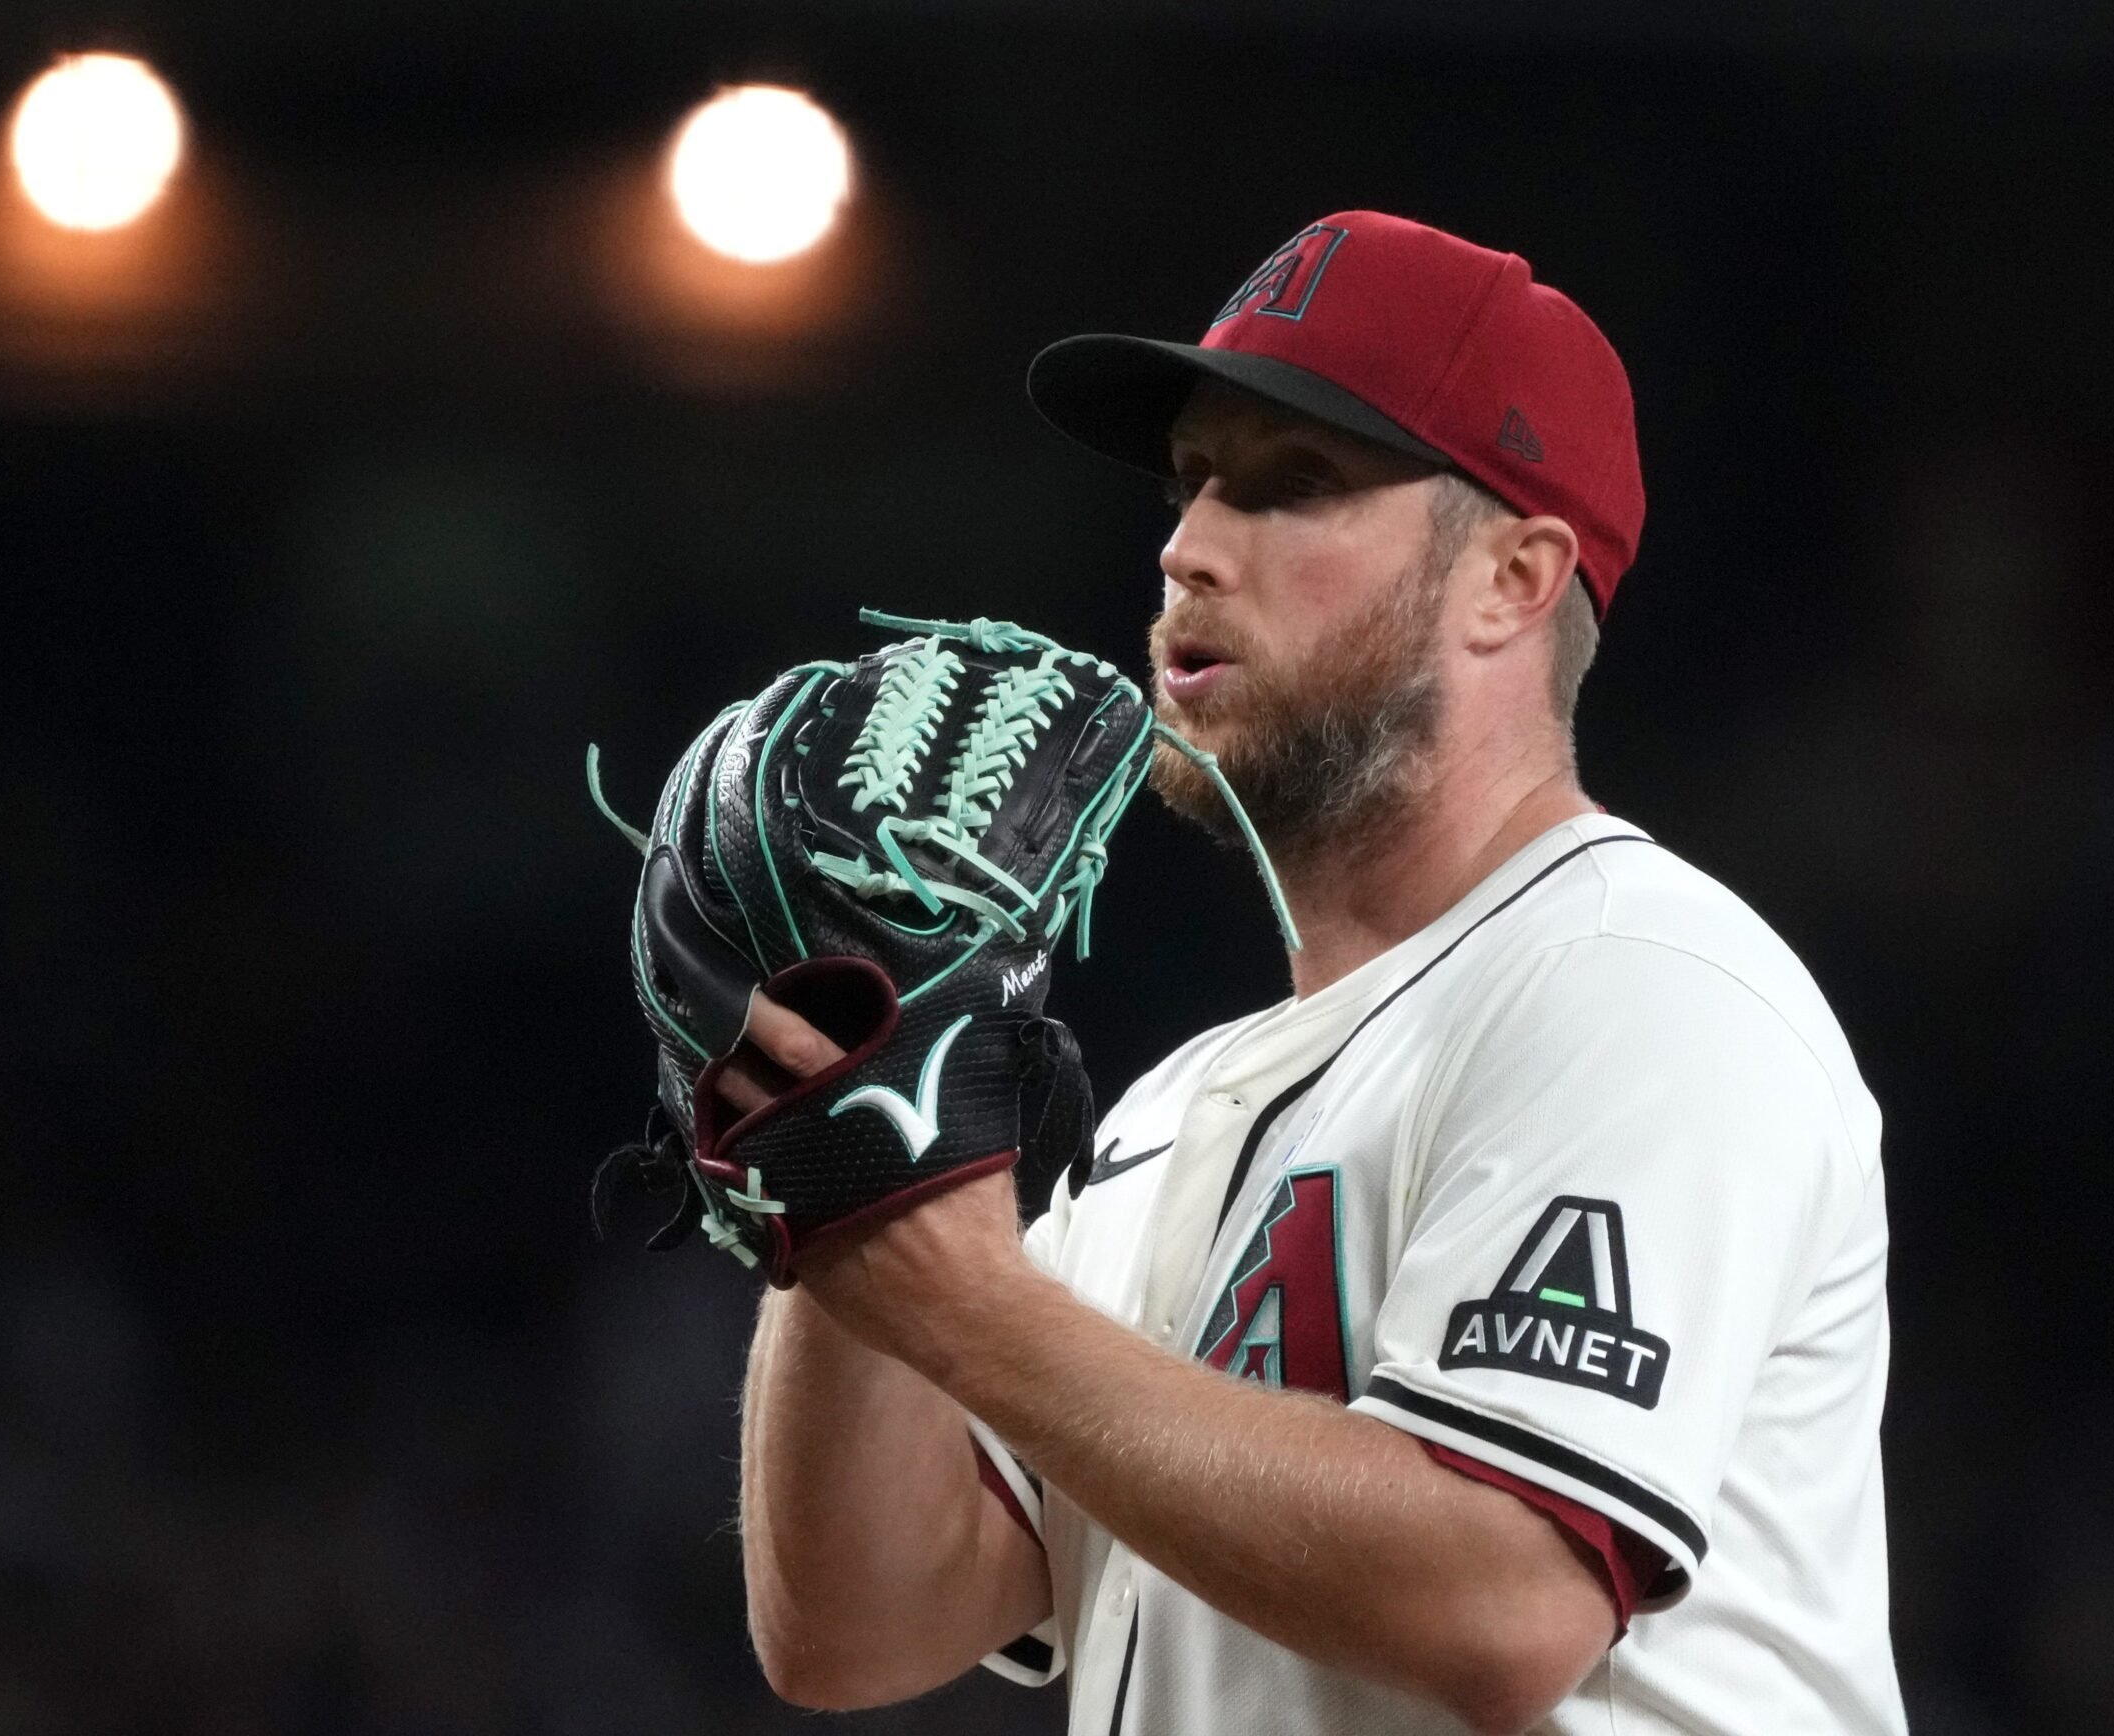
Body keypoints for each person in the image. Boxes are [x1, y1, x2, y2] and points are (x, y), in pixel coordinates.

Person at [714, 211, 1905, 1735]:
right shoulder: (1168, 1113)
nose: (1189, 546)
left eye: (1293, 485)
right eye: (1192, 482)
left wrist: (968, 1312)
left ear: (1513, 579)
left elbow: (1507, 1597)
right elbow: (862, 1626)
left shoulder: (1637, 984)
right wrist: (850, 1153)